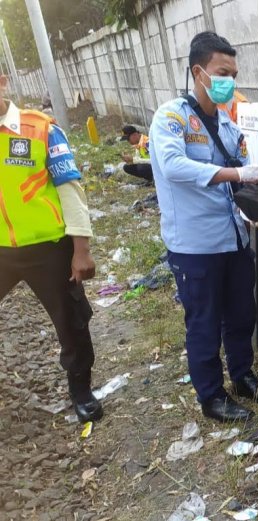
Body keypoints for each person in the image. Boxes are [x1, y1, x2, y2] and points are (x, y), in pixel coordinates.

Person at [149, 31, 258, 423]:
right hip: (194, 244)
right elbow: (173, 166)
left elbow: (241, 170)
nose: (230, 80)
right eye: (223, 72)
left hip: (234, 237)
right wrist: (236, 172)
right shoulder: (170, 118)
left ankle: (242, 375)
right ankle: (211, 396)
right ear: (198, 71)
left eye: (234, 73)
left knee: (241, 314)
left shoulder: (226, 121)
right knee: (203, 322)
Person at [0, 74, 103, 422]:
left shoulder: (41, 129)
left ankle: (81, 389)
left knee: (70, 322)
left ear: (2, 81)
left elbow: (69, 188)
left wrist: (81, 249)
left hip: (49, 249)